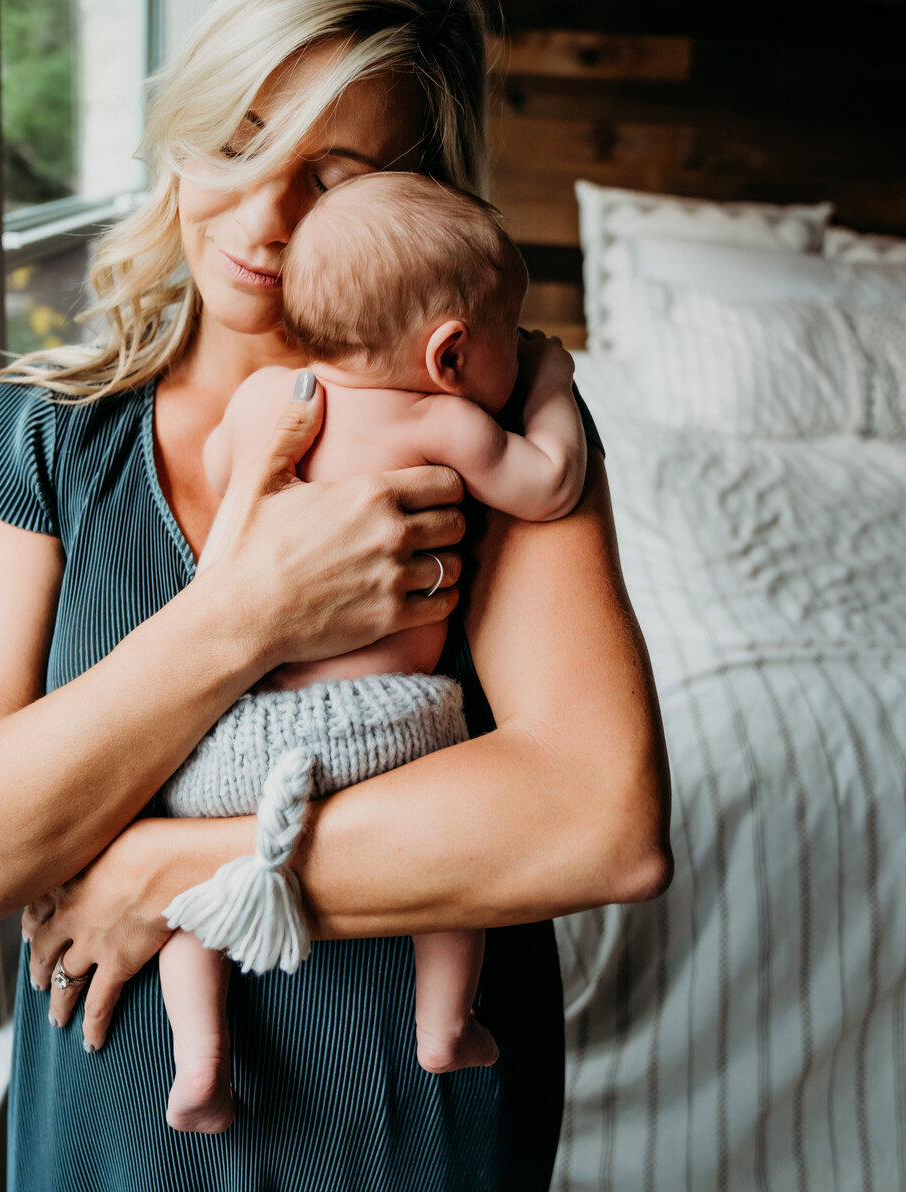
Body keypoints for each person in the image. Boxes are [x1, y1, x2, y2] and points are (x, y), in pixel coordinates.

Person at [0, 0, 672, 1192]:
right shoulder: (35, 437)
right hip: (118, 1153)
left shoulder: (486, 415)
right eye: (240, 138)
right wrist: (247, 614)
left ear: (417, 201)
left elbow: (605, 822)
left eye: (336, 174)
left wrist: (171, 868)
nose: (263, 217)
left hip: (407, 1144)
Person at [157, 172, 588, 1133]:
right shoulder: (440, 418)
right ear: (449, 352)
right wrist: (554, 383)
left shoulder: (273, 394)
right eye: (507, 339)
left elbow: (228, 470)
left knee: (189, 899)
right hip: (391, 735)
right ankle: (445, 1023)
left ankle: (199, 1055)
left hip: (235, 738)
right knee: (461, 871)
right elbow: (550, 484)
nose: (516, 359)